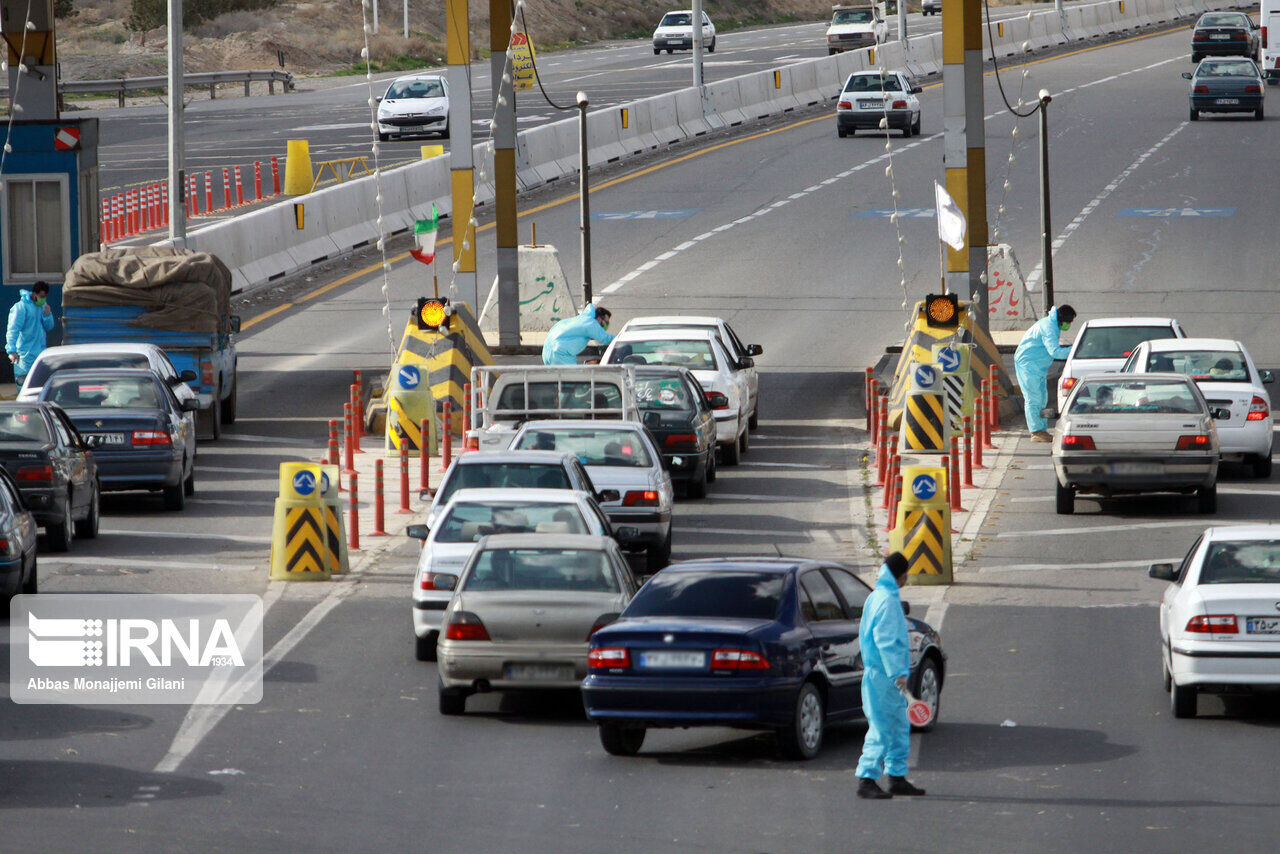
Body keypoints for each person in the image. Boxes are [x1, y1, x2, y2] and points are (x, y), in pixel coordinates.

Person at [856, 551, 927, 800]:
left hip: (886, 675)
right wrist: (897, 673)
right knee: (881, 727)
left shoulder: (877, 597)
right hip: (885, 676)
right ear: (902, 574)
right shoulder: (886, 601)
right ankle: (867, 779)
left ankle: (897, 777)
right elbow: (886, 640)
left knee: (898, 725)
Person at [1013, 304, 1076, 443]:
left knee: (1042, 398)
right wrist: (1075, 350)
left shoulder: (1053, 325)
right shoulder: (1048, 327)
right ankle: (1035, 431)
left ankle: (1042, 430)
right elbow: (1055, 351)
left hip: (1037, 366)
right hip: (1028, 364)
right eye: (1069, 322)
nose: (1069, 325)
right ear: (1062, 319)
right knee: (1033, 398)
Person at [6, 281, 56, 387]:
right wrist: (11, 350)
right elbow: (13, 330)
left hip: (40, 353)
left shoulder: (42, 307)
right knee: (24, 385)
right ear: (34, 294)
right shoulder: (21, 307)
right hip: (24, 355)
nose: (43, 299)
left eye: (45, 296)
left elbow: (49, 327)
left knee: (41, 387)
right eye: (41, 296)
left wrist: (48, 315)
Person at [541, 303, 614, 365]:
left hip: (547, 350)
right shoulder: (591, 323)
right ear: (598, 318)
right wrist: (620, 338)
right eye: (606, 323)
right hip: (560, 353)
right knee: (573, 379)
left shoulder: (582, 319)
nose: (606, 326)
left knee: (557, 379)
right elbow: (605, 338)